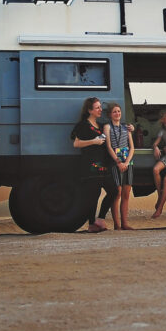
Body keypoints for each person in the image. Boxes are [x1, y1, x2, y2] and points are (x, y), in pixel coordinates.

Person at [70, 97, 115, 233]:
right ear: (90, 110)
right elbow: (76, 144)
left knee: (114, 191)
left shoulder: (101, 126)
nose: (100, 109)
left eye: (100, 107)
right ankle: (91, 224)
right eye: (97, 108)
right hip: (90, 164)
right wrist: (93, 141)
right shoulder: (83, 125)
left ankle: (100, 219)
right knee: (93, 195)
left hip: (103, 164)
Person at [103, 102, 136, 230]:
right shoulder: (107, 127)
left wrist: (126, 162)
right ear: (110, 114)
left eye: (119, 111)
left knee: (126, 194)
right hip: (115, 160)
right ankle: (117, 224)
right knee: (117, 192)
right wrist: (118, 162)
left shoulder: (126, 127)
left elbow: (132, 147)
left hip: (128, 160)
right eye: (115, 112)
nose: (117, 114)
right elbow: (109, 146)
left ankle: (125, 223)